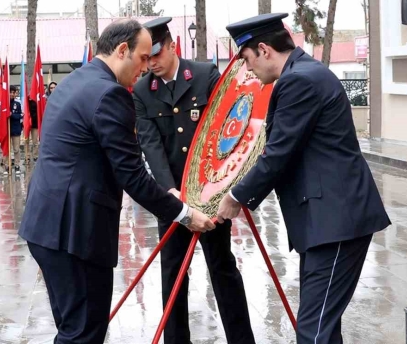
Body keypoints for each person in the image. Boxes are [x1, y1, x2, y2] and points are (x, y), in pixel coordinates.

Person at [19, 20, 216, 344]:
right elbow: (132, 175)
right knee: (83, 333)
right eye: (141, 57)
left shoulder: (74, 82)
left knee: (72, 329)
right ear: (122, 50)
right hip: (75, 231)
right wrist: (183, 213)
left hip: (45, 226)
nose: (145, 67)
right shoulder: (110, 94)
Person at [217, 13, 391, 344]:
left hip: (337, 222)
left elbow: (277, 154)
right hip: (325, 221)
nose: (248, 69)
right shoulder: (303, 74)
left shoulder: (300, 81)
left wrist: (235, 198)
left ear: (265, 50)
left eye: (247, 59)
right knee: (321, 326)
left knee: (313, 332)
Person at [132, 17, 256, 344]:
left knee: (223, 269)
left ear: (172, 45)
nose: (152, 63)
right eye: (146, 58)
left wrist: (227, 187)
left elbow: (228, 127)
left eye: (157, 54)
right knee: (173, 275)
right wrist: (171, 195)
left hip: (210, 194)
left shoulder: (203, 75)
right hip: (171, 199)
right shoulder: (143, 91)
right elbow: (151, 144)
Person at [2, 86, 23, 173]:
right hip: (6, 130)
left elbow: (21, 115)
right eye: (10, 92)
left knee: (16, 149)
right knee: (7, 149)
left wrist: (11, 115)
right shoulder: (4, 104)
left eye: (13, 92)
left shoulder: (17, 104)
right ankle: (7, 166)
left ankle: (17, 165)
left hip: (15, 129)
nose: (12, 94)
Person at [27, 97, 38, 162]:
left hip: (34, 124)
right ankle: (27, 156)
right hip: (26, 124)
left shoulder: (36, 101)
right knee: (26, 141)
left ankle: (35, 155)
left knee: (35, 141)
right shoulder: (24, 101)